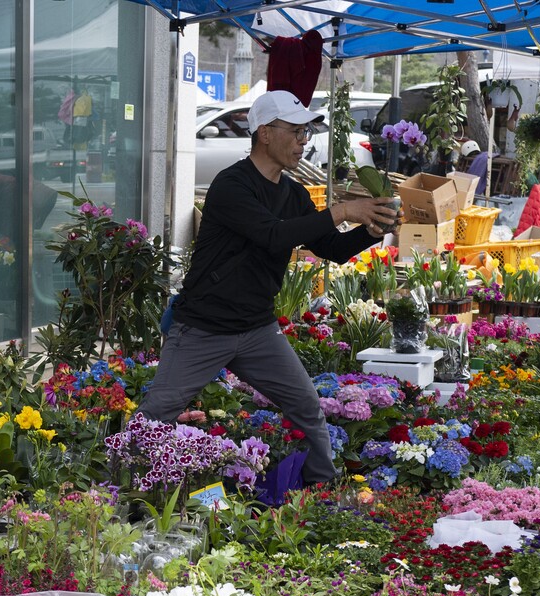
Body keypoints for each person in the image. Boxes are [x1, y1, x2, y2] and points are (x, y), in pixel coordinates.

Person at [138, 90, 398, 486]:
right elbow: (272, 235)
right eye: (295, 131)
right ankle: (129, 493)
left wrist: (372, 230)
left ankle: (318, 489)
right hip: (203, 326)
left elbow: (332, 249)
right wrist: (343, 210)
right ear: (264, 133)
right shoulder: (231, 186)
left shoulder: (292, 193)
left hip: (256, 329)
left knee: (306, 406)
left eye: (306, 133)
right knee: (158, 412)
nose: (302, 141)